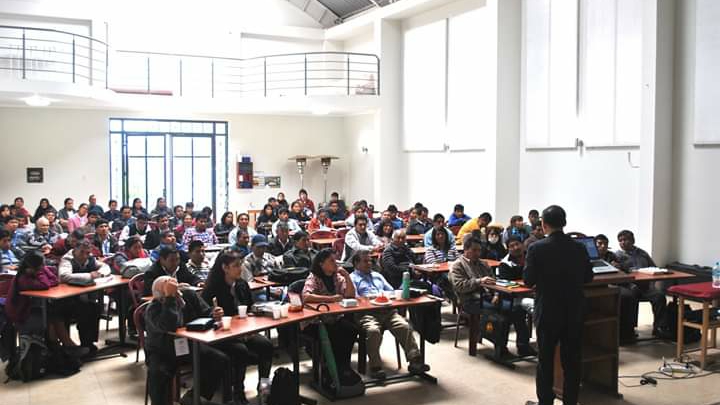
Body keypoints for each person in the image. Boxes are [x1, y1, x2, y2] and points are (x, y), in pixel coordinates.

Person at [523, 205, 593, 405]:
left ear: (543, 225)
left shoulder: (537, 248)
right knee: (571, 360)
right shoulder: (579, 247)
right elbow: (588, 276)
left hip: (548, 310)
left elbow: (528, 280)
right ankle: (570, 401)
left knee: (545, 360)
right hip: (574, 309)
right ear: (564, 223)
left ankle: (545, 402)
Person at [202, 250, 274, 404]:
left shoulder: (241, 284)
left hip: (244, 331)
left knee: (267, 346)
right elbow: (203, 315)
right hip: (222, 334)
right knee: (240, 351)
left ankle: (264, 388)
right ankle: (238, 392)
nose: (240, 268)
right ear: (225, 268)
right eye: (236, 265)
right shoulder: (212, 288)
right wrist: (212, 313)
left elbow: (248, 308)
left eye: (240, 264)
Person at [144, 275, 225, 405]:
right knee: (158, 373)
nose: (175, 290)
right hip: (162, 351)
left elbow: (205, 311)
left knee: (219, 360)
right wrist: (169, 298)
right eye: (169, 288)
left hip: (187, 345)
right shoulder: (154, 308)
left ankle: (194, 396)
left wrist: (214, 313)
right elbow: (169, 325)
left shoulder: (188, 295)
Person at [349, 250, 430, 379]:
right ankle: (375, 367)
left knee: (404, 326)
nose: (369, 263)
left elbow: (391, 292)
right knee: (373, 331)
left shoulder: (377, 275)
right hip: (367, 313)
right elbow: (356, 299)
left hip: (387, 311)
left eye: (370, 260)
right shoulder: (352, 278)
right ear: (356, 263)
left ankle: (415, 361)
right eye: (365, 261)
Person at [450, 236, 534, 358]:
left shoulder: (483, 264)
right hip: (470, 300)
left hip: (489, 296)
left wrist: (496, 294)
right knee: (499, 314)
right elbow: (459, 286)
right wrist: (479, 281)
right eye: (474, 250)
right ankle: (501, 350)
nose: (477, 253)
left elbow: (495, 281)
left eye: (479, 250)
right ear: (465, 250)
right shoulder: (457, 265)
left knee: (517, 309)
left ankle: (523, 346)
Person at [5, 252, 87, 357]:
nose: (43, 267)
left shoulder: (37, 271)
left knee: (56, 314)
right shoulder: (23, 279)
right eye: (40, 266)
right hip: (22, 313)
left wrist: (41, 272)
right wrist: (41, 274)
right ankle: (62, 348)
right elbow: (45, 284)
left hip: (34, 308)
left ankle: (63, 348)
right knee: (52, 318)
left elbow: (55, 280)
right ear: (32, 267)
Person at [302, 249, 358, 375]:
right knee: (335, 333)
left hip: (333, 317)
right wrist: (331, 299)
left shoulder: (337, 277)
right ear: (321, 264)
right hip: (315, 321)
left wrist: (347, 276)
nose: (335, 263)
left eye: (335, 260)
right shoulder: (314, 277)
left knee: (352, 329)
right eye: (331, 261)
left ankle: (343, 364)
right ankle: (329, 365)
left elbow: (350, 295)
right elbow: (306, 297)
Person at [58, 241, 112, 354]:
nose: (84, 255)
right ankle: (78, 346)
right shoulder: (67, 260)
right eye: (81, 252)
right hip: (67, 299)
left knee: (95, 308)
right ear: (75, 249)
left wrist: (101, 274)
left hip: (84, 297)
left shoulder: (90, 258)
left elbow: (105, 266)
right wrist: (89, 276)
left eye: (87, 253)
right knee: (86, 311)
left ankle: (88, 343)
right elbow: (63, 276)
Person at [614, 230, 667, 337]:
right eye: (620, 240)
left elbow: (654, 267)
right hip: (629, 287)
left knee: (659, 297)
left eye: (626, 239)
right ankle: (629, 330)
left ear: (633, 240)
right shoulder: (617, 256)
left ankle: (659, 328)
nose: (623, 242)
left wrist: (653, 282)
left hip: (645, 287)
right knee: (630, 298)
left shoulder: (642, 253)